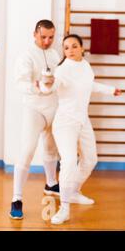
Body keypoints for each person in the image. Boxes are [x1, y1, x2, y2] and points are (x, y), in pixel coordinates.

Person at [39, 34, 122, 225]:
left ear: (82, 48)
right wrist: (46, 83)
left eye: (74, 46)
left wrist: (110, 90)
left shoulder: (85, 66)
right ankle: (64, 207)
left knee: (91, 159)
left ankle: (74, 191)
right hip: (65, 123)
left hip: (82, 120)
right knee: (69, 161)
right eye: (66, 47)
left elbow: (88, 85)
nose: (70, 50)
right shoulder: (61, 70)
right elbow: (50, 86)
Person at [10, 20, 61, 220]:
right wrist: (37, 86)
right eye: (43, 37)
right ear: (35, 34)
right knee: (27, 150)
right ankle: (16, 198)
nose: (47, 41)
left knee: (51, 149)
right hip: (34, 108)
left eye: (51, 37)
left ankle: (51, 183)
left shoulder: (56, 54)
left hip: (54, 107)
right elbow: (20, 83)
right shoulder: (26, 55)